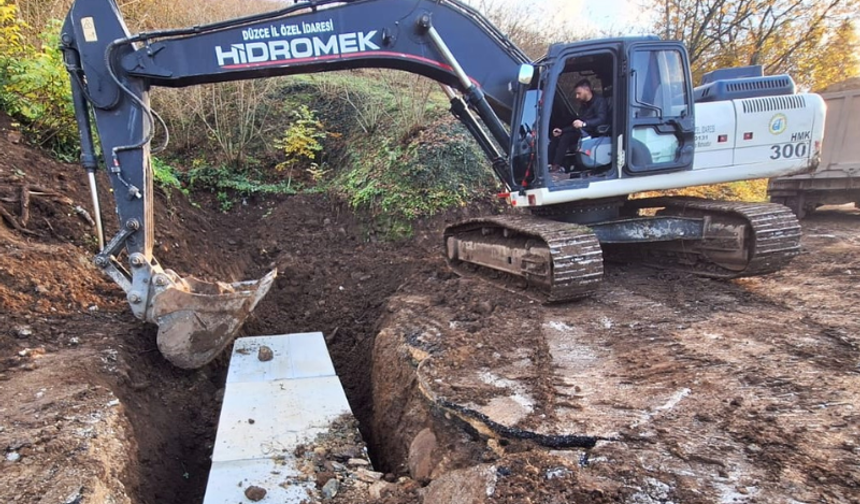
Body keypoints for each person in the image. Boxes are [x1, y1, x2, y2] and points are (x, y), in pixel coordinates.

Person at [548, 79, 610, 172]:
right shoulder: (584, 105)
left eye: (579, 93)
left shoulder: (600, 102)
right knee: (557, 137)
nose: (577, 96)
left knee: (566, 138)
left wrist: (584, 124)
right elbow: (577, 125)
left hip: (591, 132)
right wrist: (562, 130)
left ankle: (556, 166)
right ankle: (548, 164)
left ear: (587, 90)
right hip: (581, 131)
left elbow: (601, 119)